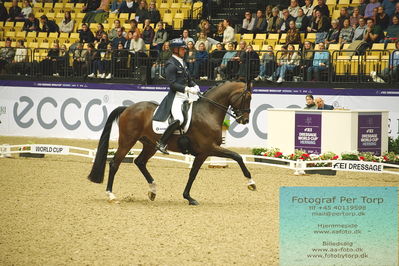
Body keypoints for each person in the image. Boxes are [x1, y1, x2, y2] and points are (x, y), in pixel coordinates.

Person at [153, 39, 200, 154]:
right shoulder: (170, 64)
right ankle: (161, 143)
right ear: (175, 50)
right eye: (183, 49)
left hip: (185, 96)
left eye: (184, 49)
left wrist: (195, 86)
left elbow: (188, 79)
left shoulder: (182, 63)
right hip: (176, 97)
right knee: (179, 119)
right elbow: (172, 84)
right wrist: (187, 88)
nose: (184, 51)